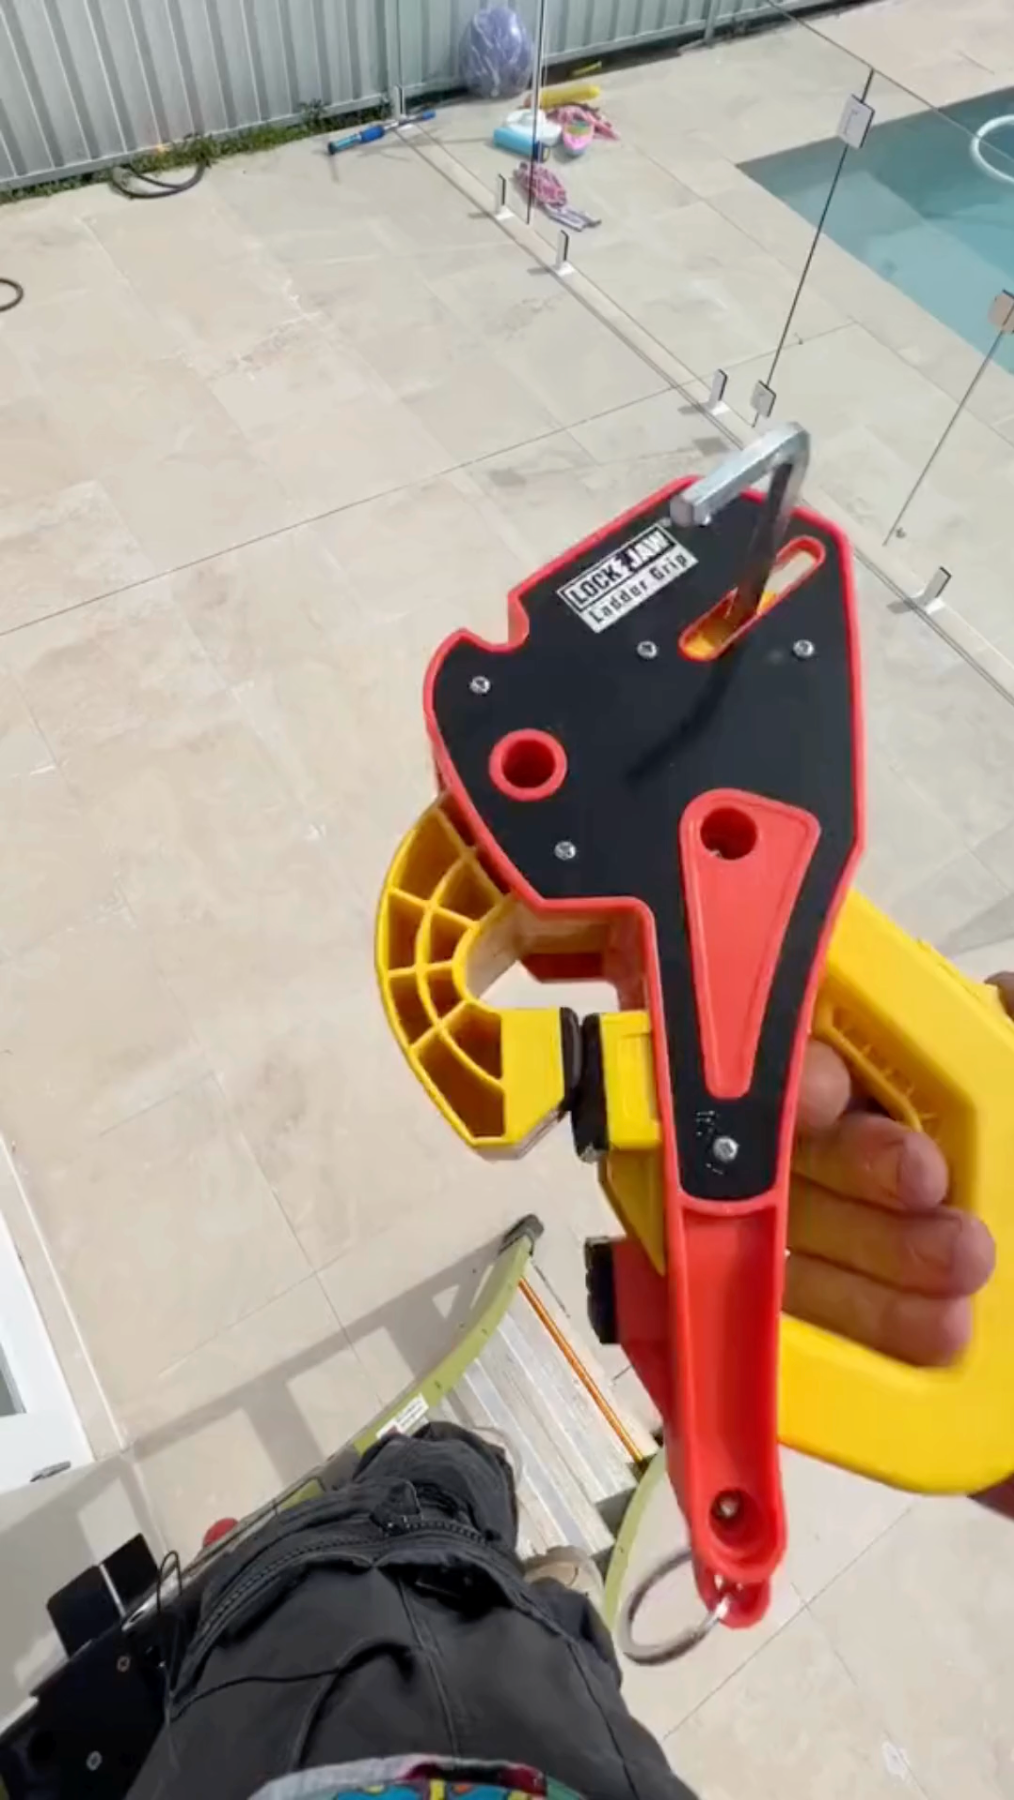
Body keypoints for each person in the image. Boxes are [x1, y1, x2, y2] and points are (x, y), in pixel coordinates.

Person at [127, 1023, 1000, 1800]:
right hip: (365, 1671)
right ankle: (538, 1593)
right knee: (467, 1494)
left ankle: (527, 1585)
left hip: (315, 1650)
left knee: (452, 1484)